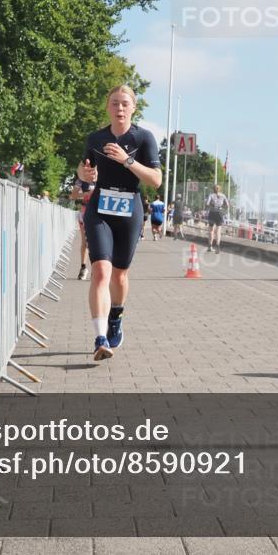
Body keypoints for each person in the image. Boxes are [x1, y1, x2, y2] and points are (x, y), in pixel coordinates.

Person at [77, 85, 162, 361]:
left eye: (125, 103)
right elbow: (82, 170)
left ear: (133, 108)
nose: (120, 108)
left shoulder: (144, 138)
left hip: (129, 208)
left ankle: (116, 315)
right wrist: (86, 172)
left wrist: (127, 161)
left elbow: (156, 180)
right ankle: (100, 337)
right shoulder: (96, 137)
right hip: (100, 207)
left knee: (119, 275)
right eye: (115, 103)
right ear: (108, 107)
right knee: (101, 271)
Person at [72, 180, 95, 280]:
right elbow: (73, 196)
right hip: (85, 212)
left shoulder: (103, 175)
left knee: (96, 243)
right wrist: (86, 193)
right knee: (85, 242)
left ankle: (96, 269)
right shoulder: (81, 180)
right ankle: (83, 267)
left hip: (99, 214)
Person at [205, 185, 229, 253]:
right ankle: (217, 246)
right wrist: (221, 206)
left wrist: (211, 206)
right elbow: (227, 205)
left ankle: (210, 245)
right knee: (218, 230)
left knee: (211, 230)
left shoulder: (211, 195)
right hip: (219, 212)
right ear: (220, 189)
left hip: (212, 212)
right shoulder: (223, 195)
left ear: (213, 189)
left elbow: (207, 204)